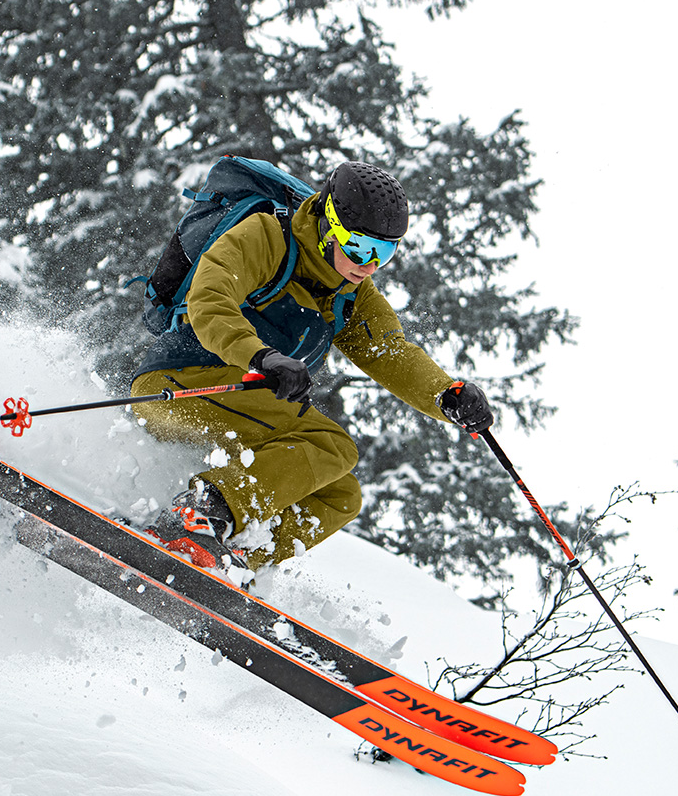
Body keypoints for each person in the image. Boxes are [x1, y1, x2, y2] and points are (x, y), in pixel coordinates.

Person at [129, 160, 493, 573]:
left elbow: (390, 352)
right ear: (328, 227)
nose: (369, 265)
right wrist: (259, 356)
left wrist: (445, 394)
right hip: (179, 383)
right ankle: (195, 519)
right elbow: (209, 299)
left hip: (237, 404)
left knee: (338, 494)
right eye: (359, 247)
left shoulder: (350, 292)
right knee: (330, 445)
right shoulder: (268, 237)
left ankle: (238, 556)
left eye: (385, 252)